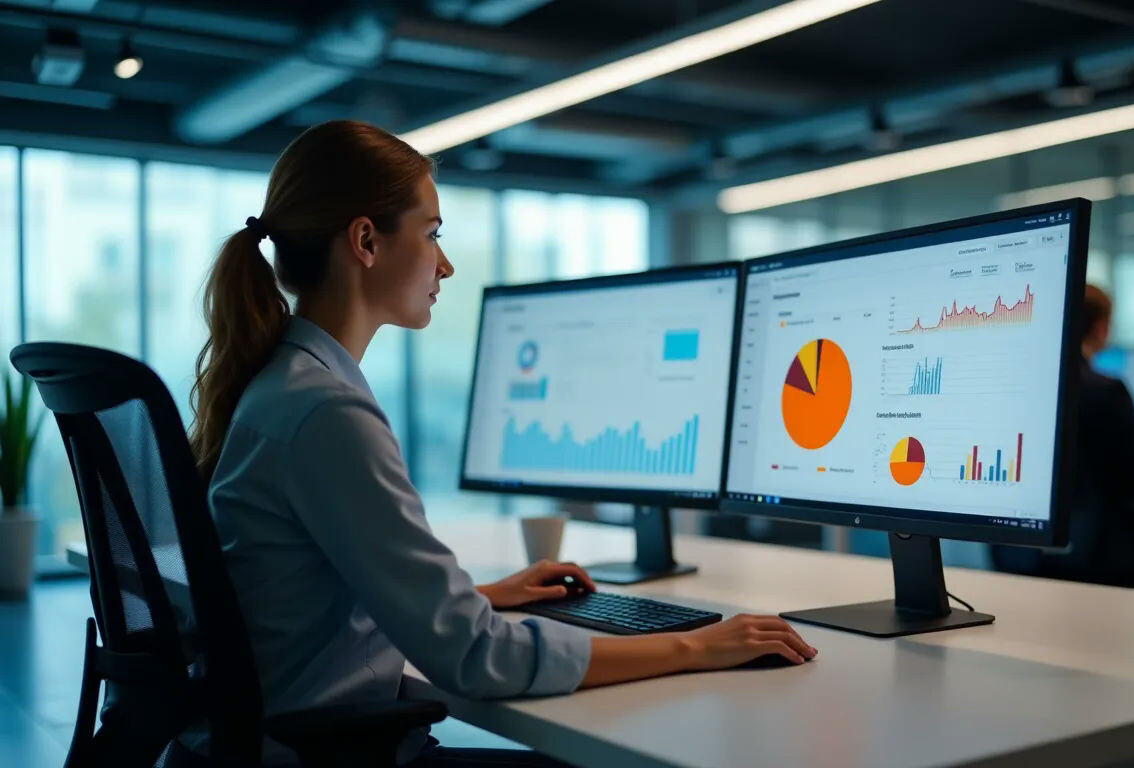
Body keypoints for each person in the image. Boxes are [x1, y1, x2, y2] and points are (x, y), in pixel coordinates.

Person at [181, 120, 815, 766]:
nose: (445, 263)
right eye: (431, 234)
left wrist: (480, 597)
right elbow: (474, 656)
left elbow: (316, 598)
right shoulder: (325, 411)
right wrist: (698, 647)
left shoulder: (288, 386)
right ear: (366, 241)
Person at [993, 284, 1134, 594]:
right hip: (1099, 550)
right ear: (1101, 328)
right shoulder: (1104, 390)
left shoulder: (1015, 386)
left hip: (1020, 549)